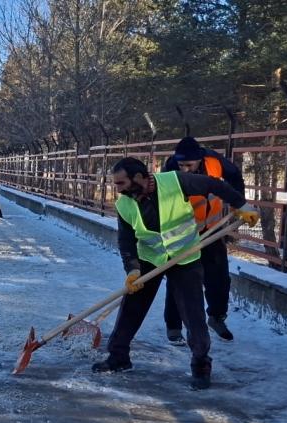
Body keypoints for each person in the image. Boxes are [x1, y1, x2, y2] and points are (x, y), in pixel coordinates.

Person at [93, 157, 258, 389]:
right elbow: (126, 242)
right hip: (149, 259)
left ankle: (201, 365)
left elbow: (215, 185)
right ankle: (118, 357)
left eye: (120, 183)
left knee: (193, 315)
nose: (116, 189)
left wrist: (241, 206)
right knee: (132, 307)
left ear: (139, 177)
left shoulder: (175, 181)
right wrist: (132, 270)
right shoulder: (124, 204)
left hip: (185, 257)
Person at [162, 137, 245, 345]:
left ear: (199, 159)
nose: (185, 169)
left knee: (219, 278)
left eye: (189, 165)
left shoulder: (214, 161)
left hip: (212, 229)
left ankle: (217, 318)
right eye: (181, 165)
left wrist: (239, 203)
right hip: (182, 233)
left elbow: (235, 176)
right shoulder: (170, 168)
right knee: (178, 280)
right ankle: (173, 326)